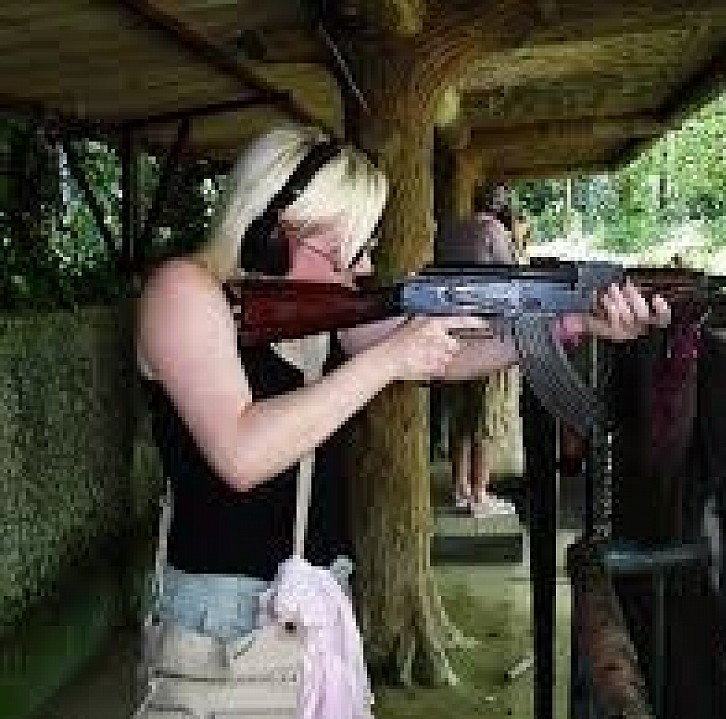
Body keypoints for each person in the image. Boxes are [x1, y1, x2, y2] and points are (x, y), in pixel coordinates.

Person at [136, 124, 670, 683]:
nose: (363, 268)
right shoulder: (183, 291)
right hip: (222, 620)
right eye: (348, 249)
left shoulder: (321, 309)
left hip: (316, 598)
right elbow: (241, 454)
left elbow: (444, 358)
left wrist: (569, 323)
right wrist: (389, 359)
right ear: (276, 232)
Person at [434, 184, 520, 515]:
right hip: (487, 336)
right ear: (501, 206)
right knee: (487, 418)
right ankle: (479, 494)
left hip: (454, 332)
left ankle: (459, 488)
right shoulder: (493, 229)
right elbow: (512, 278)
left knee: (461, 417)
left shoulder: (452, 230)